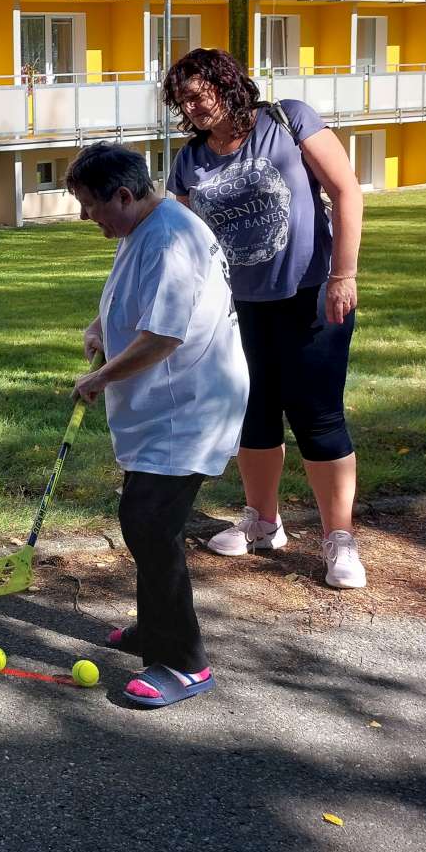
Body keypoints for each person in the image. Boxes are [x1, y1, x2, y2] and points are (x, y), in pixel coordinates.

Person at [162, 48, 366, 589]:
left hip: (311, 295)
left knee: (318, 417)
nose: (191, 106)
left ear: (226, 83)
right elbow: (181, 241)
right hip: (235, 308)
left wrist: (343, 274)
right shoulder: (189, 159)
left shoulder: (288, 119)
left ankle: (339, 538)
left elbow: (346, 190)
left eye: (198, 93)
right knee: (252, 415)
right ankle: (263, 522)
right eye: (182, 100)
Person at [69, 143, 248, 709]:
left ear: (123, 195)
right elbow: (136, 294)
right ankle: (154, 628)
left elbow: (164, 336)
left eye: (90, 205)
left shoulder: (170, 237)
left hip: (188, 407)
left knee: (150, 522)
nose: (86, 217)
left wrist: (100, 378)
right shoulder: (143, 227)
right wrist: (102, 323)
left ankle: (184, 663)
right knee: (143, 519)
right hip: (167, 406)